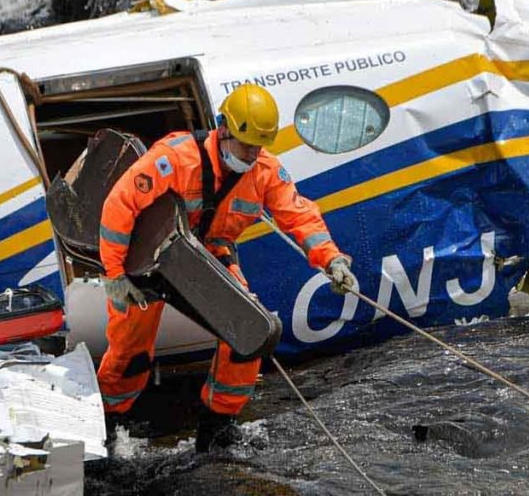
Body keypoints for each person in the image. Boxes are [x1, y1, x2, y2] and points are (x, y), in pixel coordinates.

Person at [96, 83, 357, 452]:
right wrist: (114, 275)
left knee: (249, 334)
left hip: (210, 255)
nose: (251, 155)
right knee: (129, 350)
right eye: (245, 145)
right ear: (223, 131)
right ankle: (109, 424)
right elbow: (119, 207)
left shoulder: (265, 171)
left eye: (257, 147)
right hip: (149, 260)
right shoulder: (174, 159)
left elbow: (299, 215)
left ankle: (216, 428)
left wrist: (331, 259)